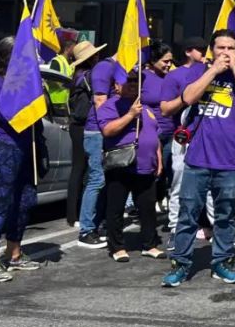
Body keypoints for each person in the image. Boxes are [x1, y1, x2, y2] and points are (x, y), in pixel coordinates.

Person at [162, 30, 235, 287]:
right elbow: (189, 97)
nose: (225, 52)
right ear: (212, 50)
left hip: (228, 160)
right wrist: (213, 71)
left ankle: (221, 262)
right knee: (188, 213)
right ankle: (181, 263)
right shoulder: (197, 72)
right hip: (197, 157)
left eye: (230, 48)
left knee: (225, 214)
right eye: (220, 48)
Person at [0, 36, 48, 282]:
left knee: (25, 200)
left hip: (25, 149)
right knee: (1, 204)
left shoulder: (25, 82)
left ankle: (14, 253)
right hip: (1, 148)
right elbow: (7, 114)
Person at [98, 71, 165, 262]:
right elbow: (108, 130)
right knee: (116, 207)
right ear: (116, 85)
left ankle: (150, 244)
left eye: (137, 81)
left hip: (146, 165)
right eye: (129, 81)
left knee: (147, 207)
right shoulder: (110, 106)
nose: (134, 84)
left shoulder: (147, 108)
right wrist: (129, 115)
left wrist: (158, 158)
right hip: (121, 165)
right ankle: (117, 247)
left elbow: (155, 135)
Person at [160, 36, 208, 242]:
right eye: (199, 49)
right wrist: (185, 98)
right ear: (188, 51)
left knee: (209, 185)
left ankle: (207, 225)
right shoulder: (174, 76)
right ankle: (174, 228)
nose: (204, 52)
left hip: (208, 137)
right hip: (183, 136)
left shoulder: (212, 71)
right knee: (179, 183)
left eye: (206, 48)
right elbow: (165, 109)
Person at [78, 48, 117, 248]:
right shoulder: (105, 67)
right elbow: (100, 101)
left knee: (105, 179)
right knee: (96, 179)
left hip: (108, 131)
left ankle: (98, 223)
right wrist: (109, 128)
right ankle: (86, 230)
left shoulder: (115, 68)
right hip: (98, 131)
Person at [65, 40, 106, 228]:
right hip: (84, 125)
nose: (97, 57)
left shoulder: (76, 75)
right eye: (95, 55)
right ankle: (78, 214)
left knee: (78, 168)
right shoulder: (89, 77)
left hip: (76, 124)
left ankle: (72, 214)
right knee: (84, 170)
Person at [141, 41, 174, 213]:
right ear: (153, 60)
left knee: (170, 170)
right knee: (154, 171)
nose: (169, 64)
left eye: (171, 61)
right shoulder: (143, 78)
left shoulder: (172, 77)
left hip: (171, 132)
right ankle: (147, 204)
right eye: (165, 61)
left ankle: (163, 200)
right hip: (152, 133)